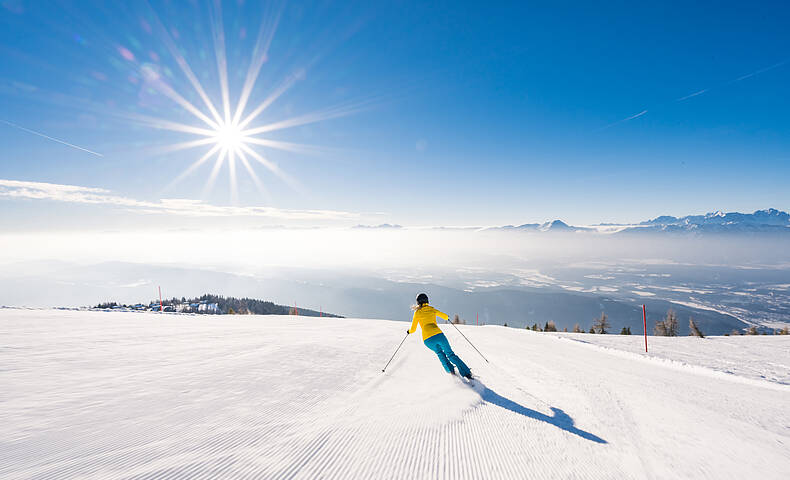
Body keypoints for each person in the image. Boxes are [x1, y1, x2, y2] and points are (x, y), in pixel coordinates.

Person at [407, 293, 472, 379]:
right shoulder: (432, 309)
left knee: (439, 353)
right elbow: (444, 316)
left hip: (427, 340)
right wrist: (447, 317)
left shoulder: (417, 313)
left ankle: (451, 371)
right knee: (450, 354)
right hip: (438, 335)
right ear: (427, 301)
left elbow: (413, 329)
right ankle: (466, 373)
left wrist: (409, 331)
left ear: (418, 302)